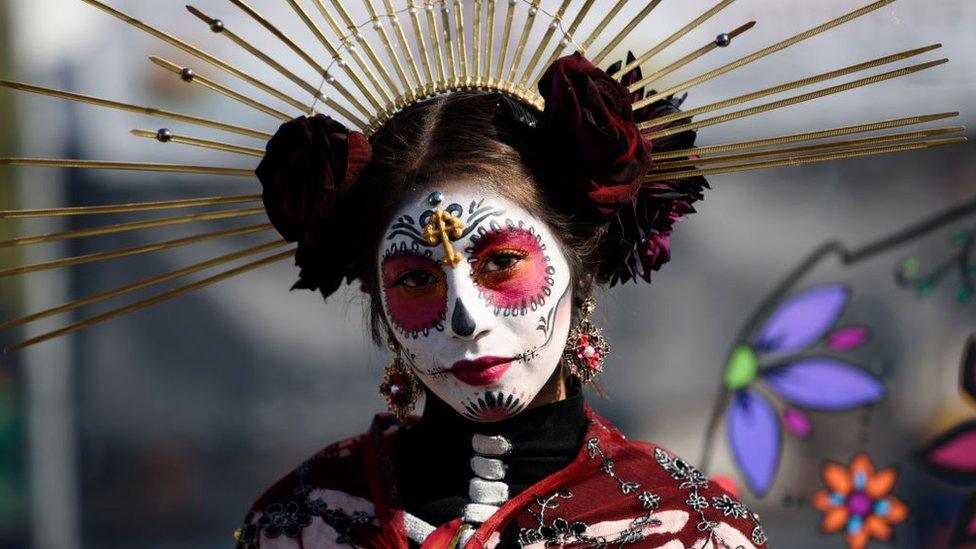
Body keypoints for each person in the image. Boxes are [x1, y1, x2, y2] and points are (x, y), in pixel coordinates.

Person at [234, 57, 767, 548]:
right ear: (377, 297)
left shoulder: (686, 529)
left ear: (578, 268)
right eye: (417, 279)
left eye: (501, 262)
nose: (465, 318)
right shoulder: (304, 522)